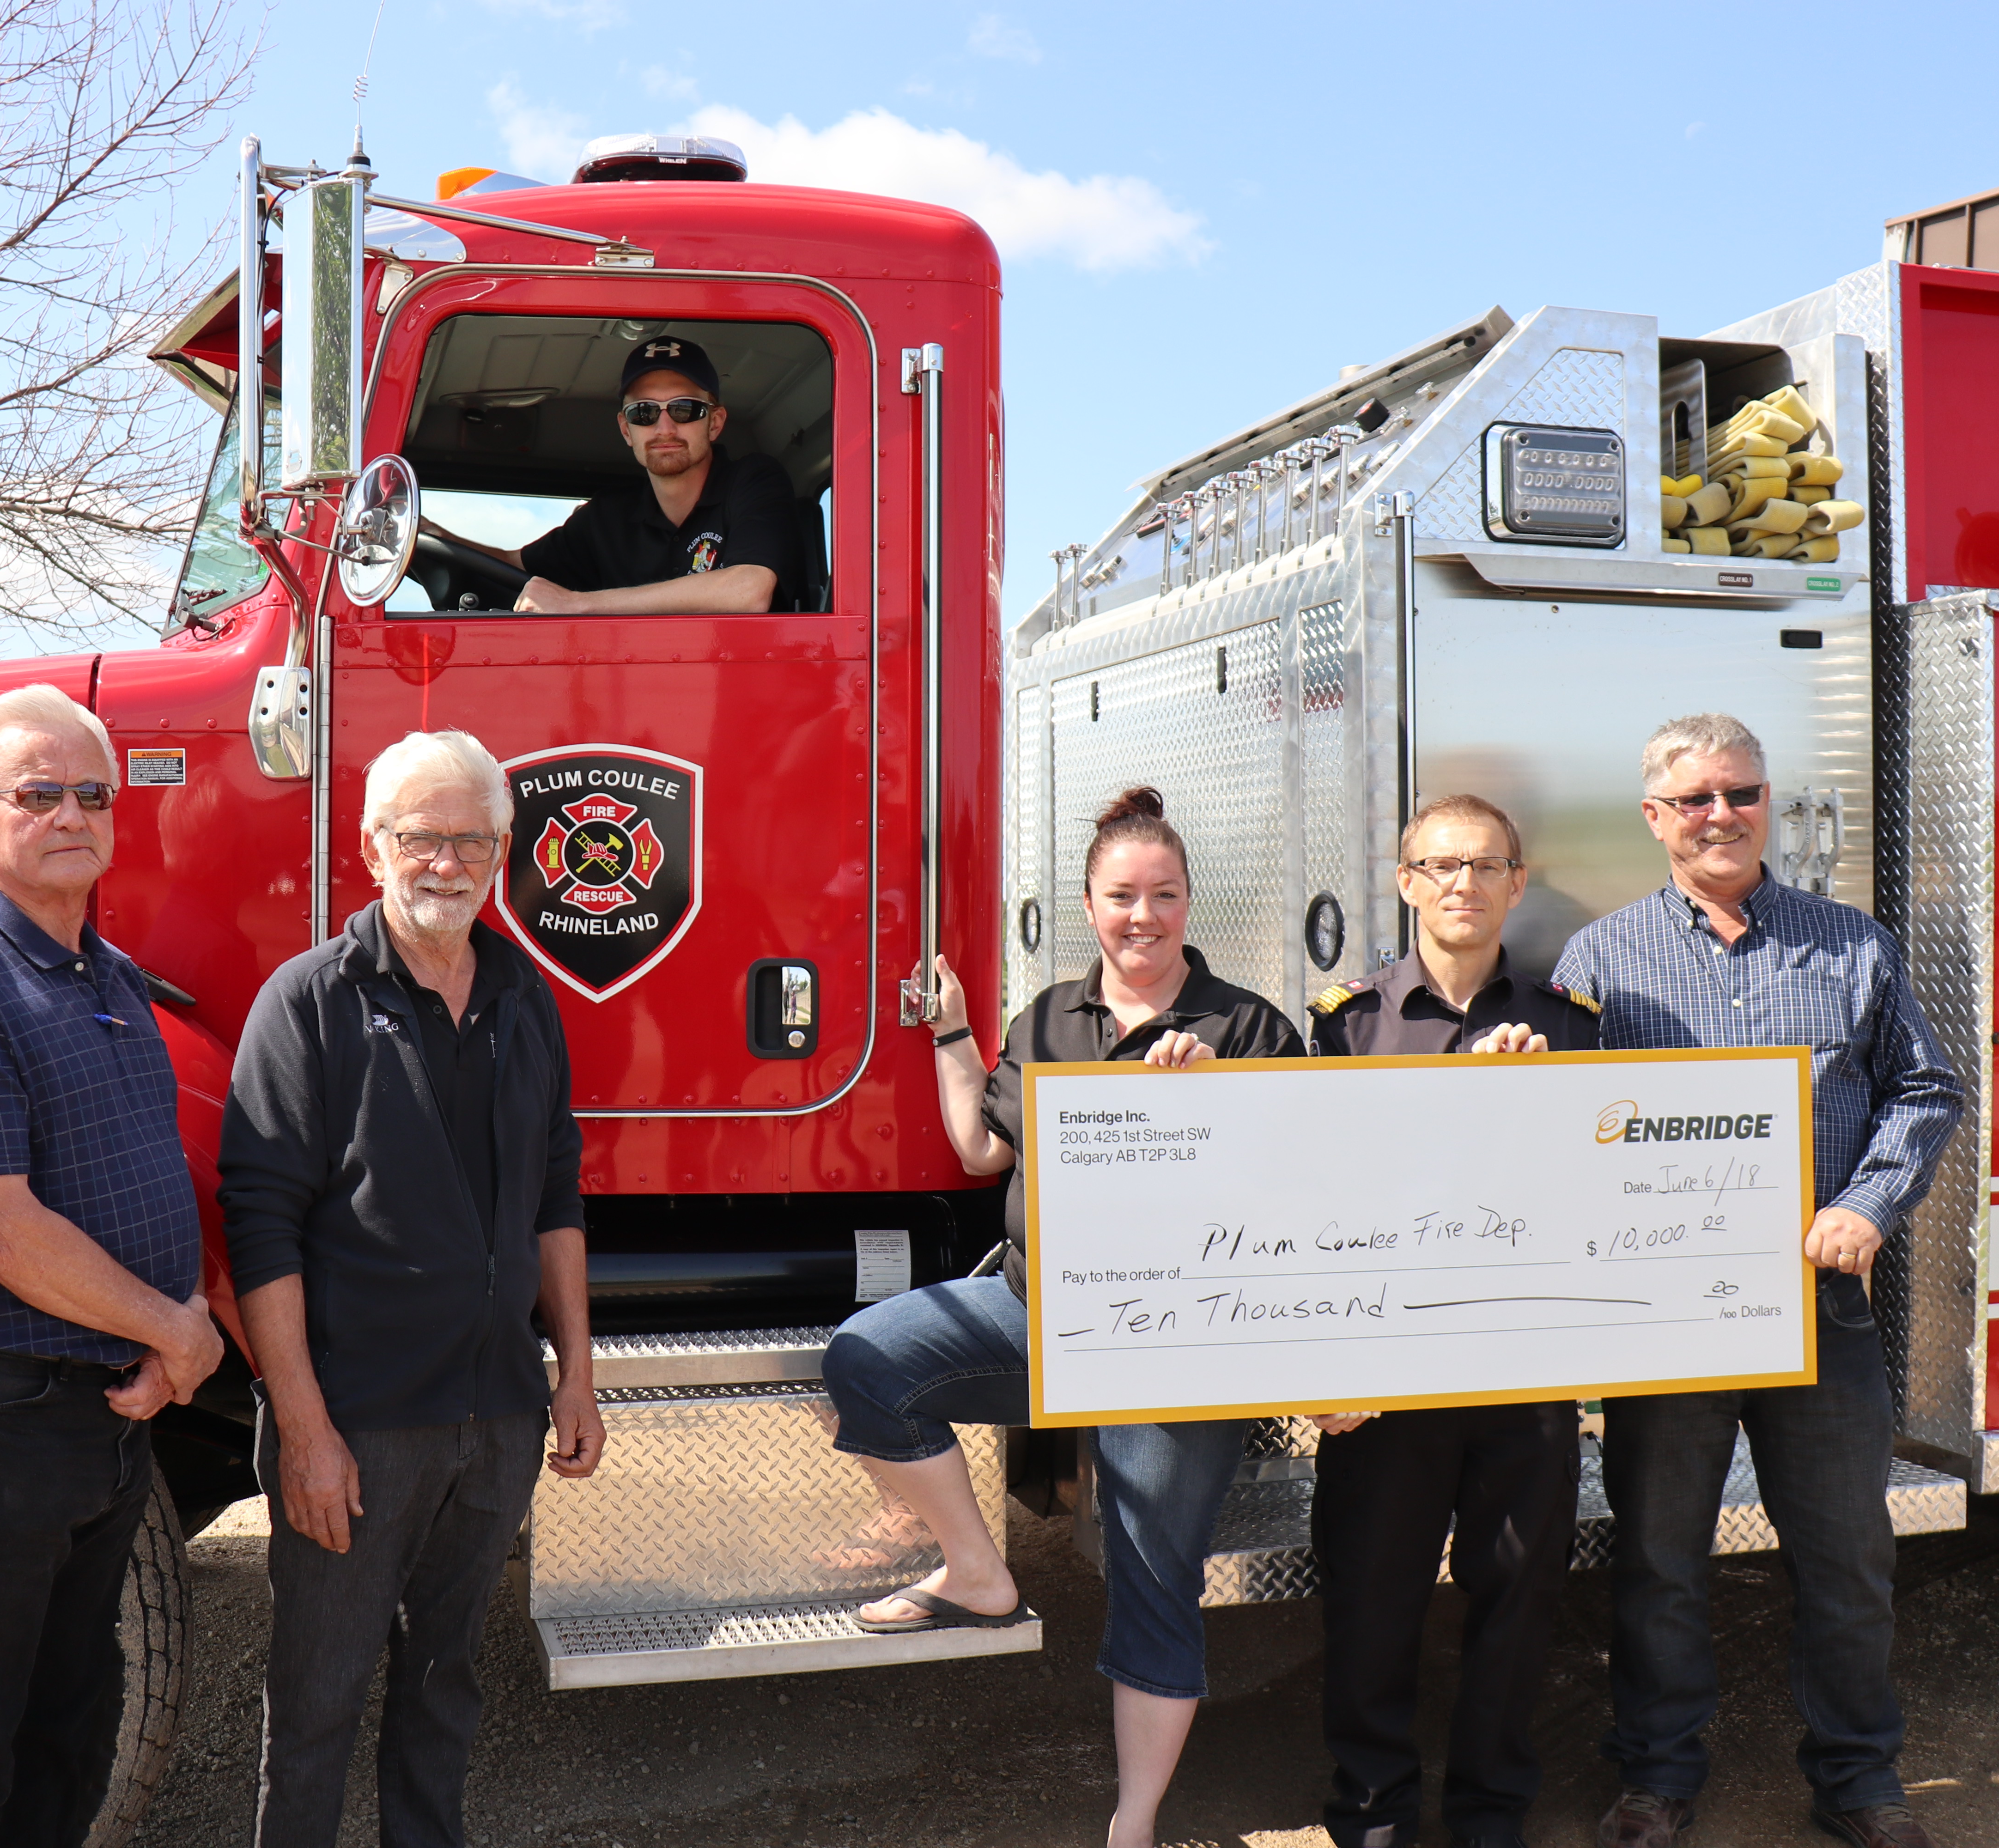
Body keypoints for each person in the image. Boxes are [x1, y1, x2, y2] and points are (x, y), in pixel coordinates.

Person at [822, 787, 1304, 1848]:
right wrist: (950, 1030)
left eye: (1164, 895)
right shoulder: (1049, 1015)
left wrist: (1220, 1090)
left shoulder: (1250, 1024)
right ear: (1088, 904)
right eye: (1122, 896)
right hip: (1036, 1309)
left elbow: (1295, 1182)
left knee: (1154, 1580)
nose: (1144, 915)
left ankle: (1132, 1824)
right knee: (867, 1360)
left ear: (1190, 902)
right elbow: (980, 1150)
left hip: (1179, 1343)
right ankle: (980, 1571)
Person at [1554, 714, 1963, 1848]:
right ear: (1655, 817)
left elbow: (1926, 1091)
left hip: (1818, 1312)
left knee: (1846, 1558)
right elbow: (1551, 1132)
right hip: (1666, 1319)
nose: (1720, 814)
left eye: (1740, 792)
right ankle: (1656, 1774)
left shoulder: (1850, 946)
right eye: (1693, 799)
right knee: (1660, 1557)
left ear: (1769, 801)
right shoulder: (1599, 960)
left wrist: (1866, 1203)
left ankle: (1858, 1781)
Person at [219, 729, 607, 1848]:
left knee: (444, 1687)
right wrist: (303, 1429)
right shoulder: (308, 1002)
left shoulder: (525, 998)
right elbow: (263, 1227)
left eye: (471, 839)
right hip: (360, 1425)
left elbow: (556, 1195)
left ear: (502, 848)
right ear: (372, 845)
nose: (447, 862)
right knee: (318, 1705)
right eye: (421, 837)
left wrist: (574, 1374)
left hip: (495, 1417)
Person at [0, 682, 219, 1848]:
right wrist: (176, 1332)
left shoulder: (102, 972)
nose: (73, 812)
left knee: (72, 1729)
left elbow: (140, 1176)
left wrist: (175, 1328)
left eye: (92, 792)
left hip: (106, 1413)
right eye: (37, 792)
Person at [1303, 794, 1601, 1848]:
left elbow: (1597, 1194)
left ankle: (1488, 1809)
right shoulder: (1345, 1025)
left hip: (1522, 1367)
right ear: (1404, 881)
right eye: (1439, 865)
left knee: (1517, 1599)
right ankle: (1374, 1805)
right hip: (1389, 1370)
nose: (1461, 885)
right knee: (1373, 1599)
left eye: (1484, 866)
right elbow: (1318, 1195)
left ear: (1518, 883)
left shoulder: (1572, 1027)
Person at [422, 334, 805, 614]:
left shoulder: (753, 481)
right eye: (645, 414)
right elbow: (513, 568)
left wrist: (578, 605)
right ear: (627, 430)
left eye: (685, 410)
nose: (665, 429)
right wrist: (434, 537)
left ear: (716, 423)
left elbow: (749, 591)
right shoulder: (608, 518)